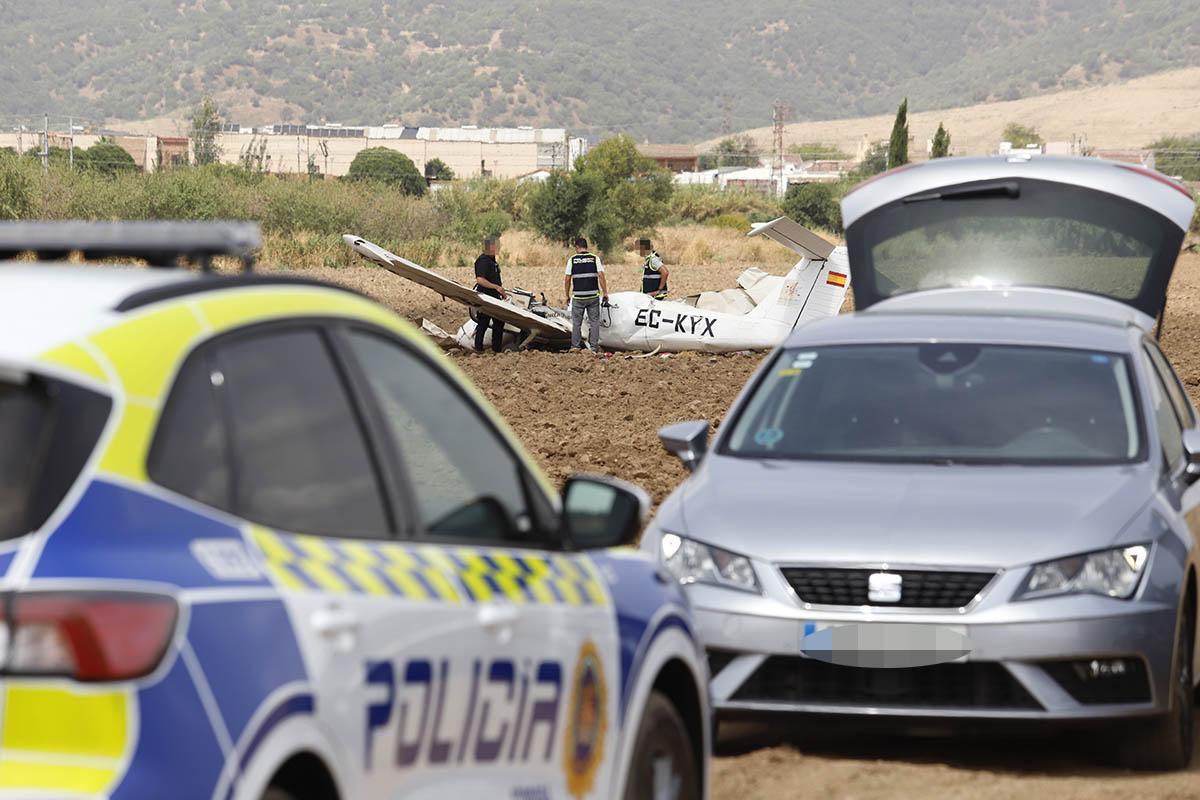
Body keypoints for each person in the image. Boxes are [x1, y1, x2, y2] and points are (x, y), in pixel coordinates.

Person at [563, 237, 608, 352]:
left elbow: (567, 279)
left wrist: (567, 295)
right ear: (586, 247)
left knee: (577, 323)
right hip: (593, 296)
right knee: (594, 322)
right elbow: (601, 275)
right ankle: (593, 347)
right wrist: (605, 292)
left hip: (578, 297)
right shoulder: (594, 258)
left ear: (577, 247)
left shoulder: (572, 260)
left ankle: (575, 346)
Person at [473, 237, 507, 353]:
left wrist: (500, 291)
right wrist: (496, 287)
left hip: (494, 296)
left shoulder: (493, 261)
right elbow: (480, 280)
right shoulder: (483, 261)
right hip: (485, 296)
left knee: (498, 321)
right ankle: (479, 348)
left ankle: (496, 349)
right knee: (483, 322)